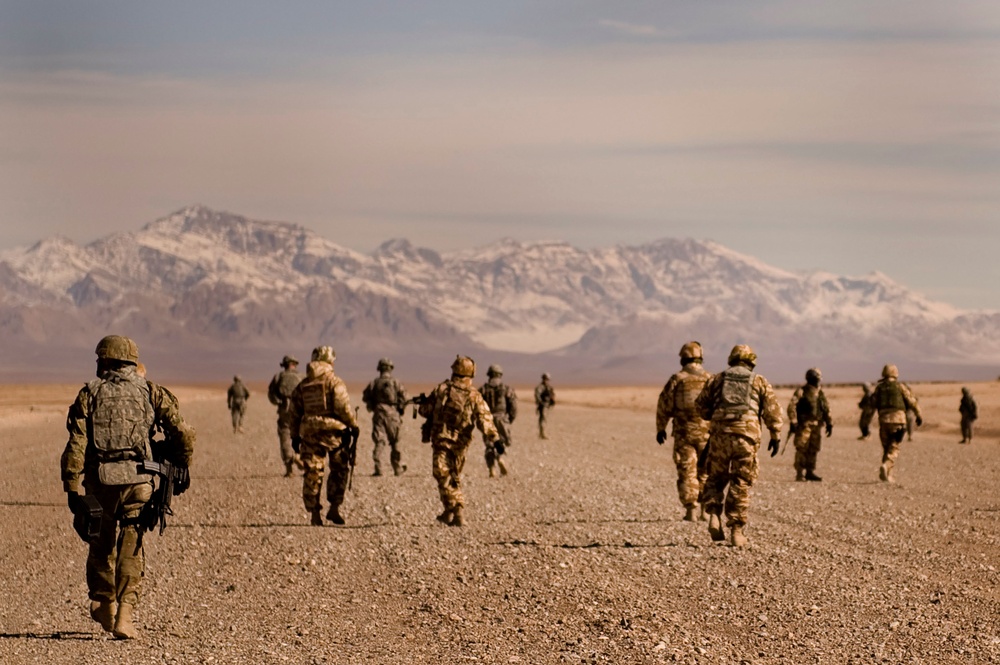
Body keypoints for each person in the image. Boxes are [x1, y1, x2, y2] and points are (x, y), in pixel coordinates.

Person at [60, 335, 195, 639]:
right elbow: (183, 432)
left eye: (99, 359)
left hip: (101, 483)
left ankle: (105, 605)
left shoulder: (89, 394)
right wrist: (181, 462)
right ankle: (125, 615)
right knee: (132, 545)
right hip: (139, 482)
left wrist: (71, 487)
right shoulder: (150, 391)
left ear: (107, 361)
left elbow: (76, 444)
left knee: (101, 544)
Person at [695, 344, 783, 547]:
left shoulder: (716, 379)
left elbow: (701, 407)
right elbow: (772, 411)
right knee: (741, 481)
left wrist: (717, 416)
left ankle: (713, 515)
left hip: (720, 437)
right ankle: (736, 531)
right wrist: (775, 435)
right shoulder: (758, 380)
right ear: (751, 361)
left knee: (715, 477)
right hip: (746, 439)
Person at [418, 355, 499, 526]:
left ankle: (458, 509)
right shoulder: (474, 395)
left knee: (442, 473)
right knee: (451, 475)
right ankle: (449, 512)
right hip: (461, 443)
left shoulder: (442, 389)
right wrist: (494, 437)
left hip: (442, 439)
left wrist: (424, 405)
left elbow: (425, 411)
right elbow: (485, 418)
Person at [289, 346, 359, 526]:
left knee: (313, 472)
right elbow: (343, 408)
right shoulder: (335, 382)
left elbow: (294, 413)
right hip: (335, 435)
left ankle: (314, 515)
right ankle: (334, 508)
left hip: (310, 435)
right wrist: (353, 424)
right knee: (339, 470)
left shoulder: (303, 385)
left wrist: (294, 436)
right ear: (329, 361)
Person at [655, 341, 712, 521]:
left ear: (683, 359)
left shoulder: (677, 379)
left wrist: (661, 428)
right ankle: (705, 510)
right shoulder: (710, 379)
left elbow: (664, 405)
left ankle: (691, 511)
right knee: (706, 471)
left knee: (687, 471)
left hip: (684, 434)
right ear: (700, 358)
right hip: (707, 434)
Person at [870, 364, 922, 483]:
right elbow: (912, 401)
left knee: (886, 447)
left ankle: (888, 475)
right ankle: (886, 465)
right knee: (894, 447)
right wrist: (918, 414)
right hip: (898, 421)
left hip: (883, 421)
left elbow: (872, 403)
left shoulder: (879, 388)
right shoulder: (900, 387)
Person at [361, 357, 409, 477]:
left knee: (379, 441)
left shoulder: (374, 383)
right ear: (390, 368)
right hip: (393, 415)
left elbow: (365, 397)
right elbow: (405, 398)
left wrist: (372, 405)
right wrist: (400, 409)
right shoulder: (396, 382)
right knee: (395, 442)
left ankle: (379, 469)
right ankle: (397, 469)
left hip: (378, 414)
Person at [787, 368, 833, 482]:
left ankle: (809, 472)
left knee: (814, 448)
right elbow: (791, 406)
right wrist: (793, 421)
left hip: (817, 425)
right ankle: (799, 473)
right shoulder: (802, 392)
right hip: (804, 425)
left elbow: (826, 408)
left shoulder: (820, 393)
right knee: (802, 447)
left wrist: (829, 423)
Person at [480, 364, 518, 477]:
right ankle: (500, 457)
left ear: (489, 375)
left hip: (487, 420)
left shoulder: (482, 390)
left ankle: (491, 468)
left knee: (489, 444)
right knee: (502, 441)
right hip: (502, 419)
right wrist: (510, 419)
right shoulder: (506, 389)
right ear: (500, 375)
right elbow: (513, 406)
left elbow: (476, 406)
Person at [268, 355, 303, 477]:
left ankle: (289, 468)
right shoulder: (302, 377)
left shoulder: (279, 377)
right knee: (303, 435)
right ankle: (304, 462)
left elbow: (271, 394)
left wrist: (279, 402)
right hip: (300, 410)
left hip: (285, 410)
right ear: (294, 364)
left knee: (285, 434)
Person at [534, 372, 556, 439]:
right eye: (546, 379)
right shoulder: (540, 387)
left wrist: (552, 400)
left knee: (545, 419)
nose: (547, 380)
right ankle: (542, 433)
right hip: (543, 405)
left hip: (548, 405)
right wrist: (541, 403)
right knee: (543, 419)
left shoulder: (549, 387)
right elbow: (537, 396)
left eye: (548, 379)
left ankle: (542, 433)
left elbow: (552, 395)